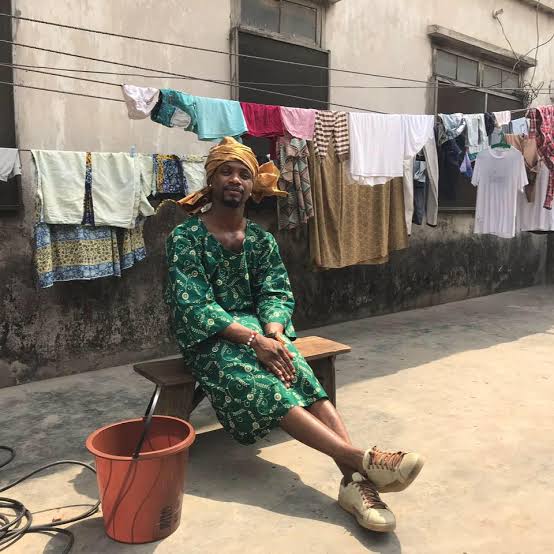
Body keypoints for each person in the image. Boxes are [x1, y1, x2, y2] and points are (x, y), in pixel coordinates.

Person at [166, 137, 424, 533]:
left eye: (243, 174)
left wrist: (273, 331)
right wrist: (255, 341)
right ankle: (362, 461)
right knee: (267, 389)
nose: (235, 179)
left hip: (261, 333)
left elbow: (276, 291)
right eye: (226, 171)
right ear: (211, 180)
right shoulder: (185, 239)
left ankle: (355, 484)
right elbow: (194, 306)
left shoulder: (260, 240)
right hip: (209, 339)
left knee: (301, 375)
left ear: (253, 187)